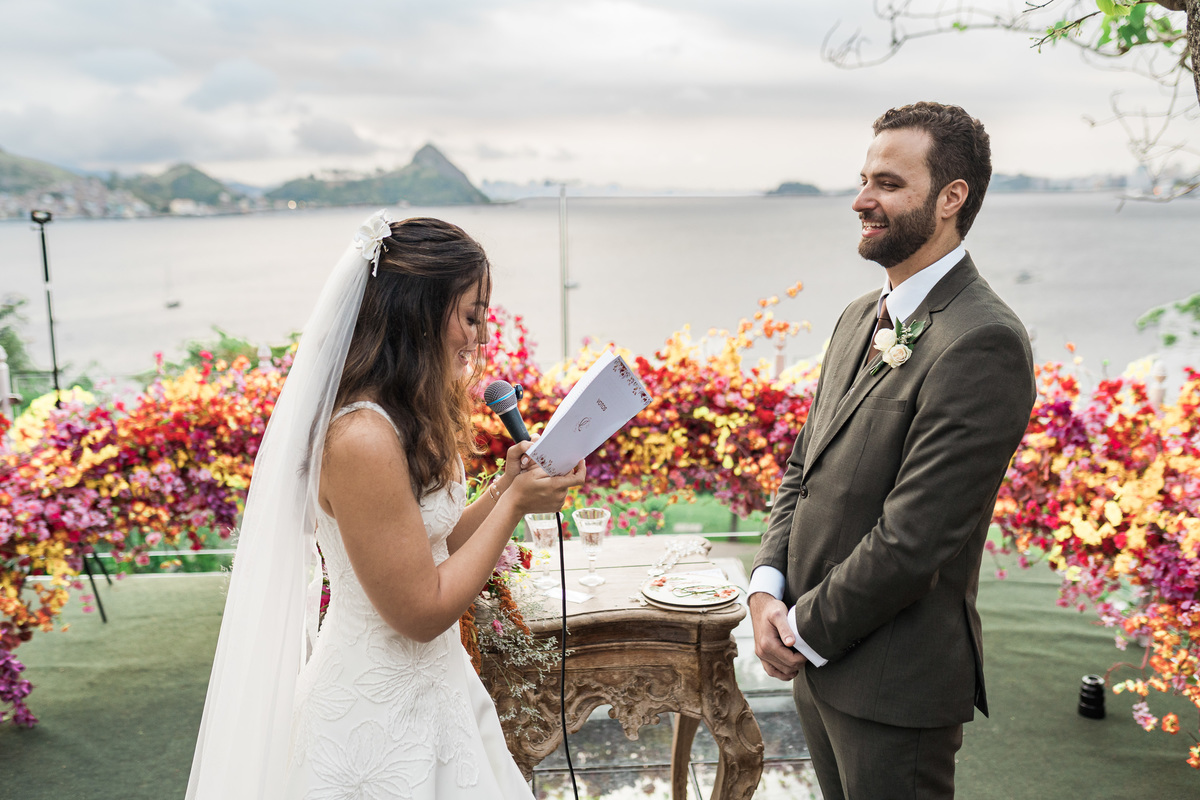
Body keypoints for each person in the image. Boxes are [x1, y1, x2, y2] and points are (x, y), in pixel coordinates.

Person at [186, 213, 584, 799]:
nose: (478, 336)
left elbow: (436, 543)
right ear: (418, 311)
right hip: (374, 720)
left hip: (438, 693)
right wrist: (515, 504)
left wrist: (506, 489)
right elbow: (419, 614)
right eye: (469, 315)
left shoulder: (403, 416)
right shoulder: (361, 439)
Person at [747, 102, 1036, 799]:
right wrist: (764, 589)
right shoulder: (857, 318)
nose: (861, 201)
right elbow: (803, 469)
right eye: (863, 179)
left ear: (951, 199)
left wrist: (801, 630)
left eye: (887, 184)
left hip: (893, 688)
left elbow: (914, 538)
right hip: (818, 667)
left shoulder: (982, 341)